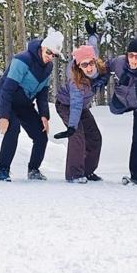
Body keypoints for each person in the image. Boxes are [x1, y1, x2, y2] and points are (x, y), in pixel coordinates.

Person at [88, 23, 137, 186]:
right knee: (115, 104)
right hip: (120, 102)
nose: (133, 60)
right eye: (131, 55)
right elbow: (102, 67)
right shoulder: (119, 62)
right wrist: (100, 79)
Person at [0, 30, 63, 182]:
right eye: (48, 52)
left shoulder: (47, 67)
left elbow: (42, 94)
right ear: (42, 47)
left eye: (54, 55)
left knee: (41, 135)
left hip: (24, 105)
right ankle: (3, 170)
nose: (50, 57)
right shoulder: (22, 60)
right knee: (13, 128)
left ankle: (33, 170)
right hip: (4, 101)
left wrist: (44, 116)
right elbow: (7, 89)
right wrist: (4, 116)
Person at [53, 38, 110, 183]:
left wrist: (92, 35)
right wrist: (72, 126)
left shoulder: (97, 65)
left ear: (95, 60)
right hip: (66, 106)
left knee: (95, 137)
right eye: (84, 65)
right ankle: (74, 174)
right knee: (77, 135)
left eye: (91, 63)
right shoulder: (76, 82)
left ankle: (87, 171)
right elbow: (76, 105)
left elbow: (93, 47)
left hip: (82, 107)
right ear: (79, 66)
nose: (89, 68)